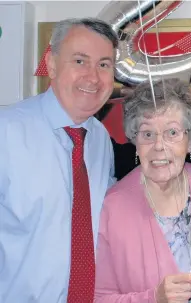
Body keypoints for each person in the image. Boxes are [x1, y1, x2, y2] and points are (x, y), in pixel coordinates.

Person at [0, 18, 117, 302]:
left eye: (104, 64)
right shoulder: (6, 132)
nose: (93, 77)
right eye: (80, 61)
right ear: (51, 65)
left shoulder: (100, 139)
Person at [94, 78, 191, 303]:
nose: (159, 145)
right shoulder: (112, 208)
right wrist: (153, 298)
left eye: (172, 133)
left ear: (190, 141)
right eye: (147, 134)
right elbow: (97, 297)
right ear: (135, 141)